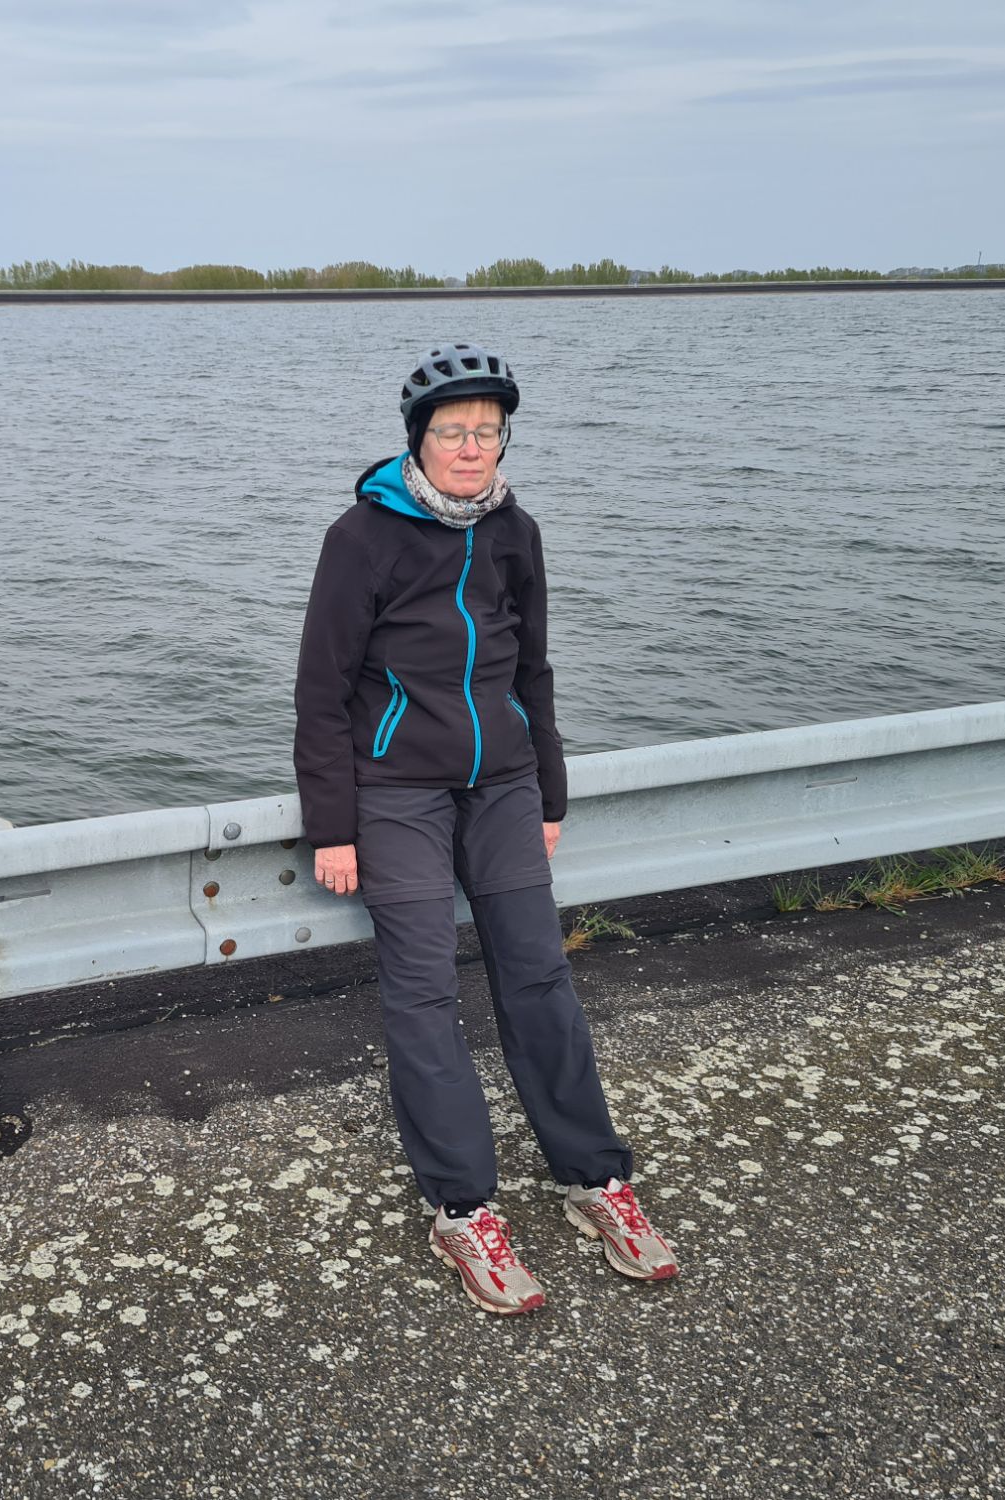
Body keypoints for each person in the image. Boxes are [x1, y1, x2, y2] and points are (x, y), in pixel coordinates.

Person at [292, 341, 678, 1315]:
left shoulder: (514, 532)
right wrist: (331, 828)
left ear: (503, 438)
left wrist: (548, 795)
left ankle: (594, 1178)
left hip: (502, 784)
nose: (470, 447)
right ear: (416, 441)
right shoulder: (362, 538)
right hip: (396, 794)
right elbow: (321, 691)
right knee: (424, 993)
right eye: (451, 431)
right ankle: (462, 1208)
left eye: (486, 431)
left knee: (539, 975)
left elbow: (531, 670)